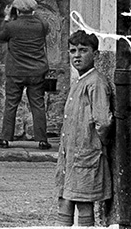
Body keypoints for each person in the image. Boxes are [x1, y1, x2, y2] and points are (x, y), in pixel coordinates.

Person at [55, 30, 114, 227]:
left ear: (95, 54)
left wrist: (97, 143)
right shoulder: (79, 81)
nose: (77, 56)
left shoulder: (96, 83)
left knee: (83, 201)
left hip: (88, 154)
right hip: (71, 154)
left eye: (83, 50)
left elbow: (103, 121)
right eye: (73, 51)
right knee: (66, 197)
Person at [0, 0, 50, 148]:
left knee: (11, 104)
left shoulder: (11, 26)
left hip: (16, 71)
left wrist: (7, 17)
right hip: (37, 71)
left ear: (17, 10)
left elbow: (0, 37)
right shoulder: (42, 24)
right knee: (38, 105)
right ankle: (42, 140)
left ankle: (5, 138)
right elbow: (45, 29)